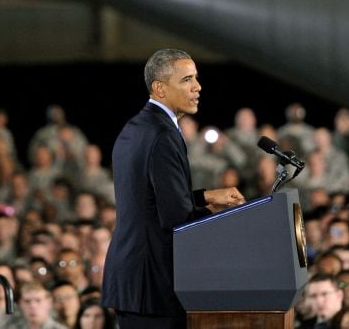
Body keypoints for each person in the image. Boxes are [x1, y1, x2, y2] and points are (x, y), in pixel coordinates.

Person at [101, 49, 245, 328]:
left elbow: (147, 199)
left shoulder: (137, 126)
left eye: (197, 78)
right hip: (153, 285)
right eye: (187, 79)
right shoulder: (163, 134)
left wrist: (205, 196)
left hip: (133, 279)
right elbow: (177, 218)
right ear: (160, 88)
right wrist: (235, 222)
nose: (197, 87)